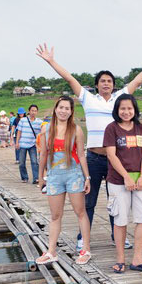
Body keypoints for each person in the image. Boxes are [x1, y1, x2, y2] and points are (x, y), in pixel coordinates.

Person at [36, 43, 142, 252]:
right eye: (102, 81)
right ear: (96, 85)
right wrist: (51, 61)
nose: (106, 84)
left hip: (117, 159)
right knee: (89, 200)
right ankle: (82, 238)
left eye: (109, 81)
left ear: (114, 85)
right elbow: (70, 79)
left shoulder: (119, 100)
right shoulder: (88, 99)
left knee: (116, 200)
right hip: (94, 158)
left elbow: (136, 81)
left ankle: (118, 237)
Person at [36, 96, 93, 265]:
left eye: (67, 108)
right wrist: (41, 177)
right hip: (54, 177)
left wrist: (87, 177)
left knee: (80, 212)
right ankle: (51, 251)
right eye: (61, 107)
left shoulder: (76, 130)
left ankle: (86, 249)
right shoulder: (46, 129)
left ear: (71, 111)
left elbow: (81, 155)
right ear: (55, 109)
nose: (63, 111)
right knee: (55, 215)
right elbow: (43, 154)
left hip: (74, 175)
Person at [104, 94, 142, 274]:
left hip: (140, 180)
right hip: (118, 180)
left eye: (129, 108)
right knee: (120, 219)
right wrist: (126, 176)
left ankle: (138, 259)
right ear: (117, 110)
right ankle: (120, 259)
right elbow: (111, 155)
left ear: (135, 110)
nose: (126, 112)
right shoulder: (111, 128)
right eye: (122, 108)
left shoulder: (140, 128)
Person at [15, 104, 43, 184]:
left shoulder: (39, 122)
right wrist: (17, 142)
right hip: (22, 144)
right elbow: (19, 132)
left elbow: (44, 131)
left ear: (37, 112)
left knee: (34, 162)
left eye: (35, 111)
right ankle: (24, 177)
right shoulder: (23, 120)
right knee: (21, 162)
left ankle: (36, 178)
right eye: (32, 110)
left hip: (33, 145)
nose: (33, 112)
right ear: (29, 111)